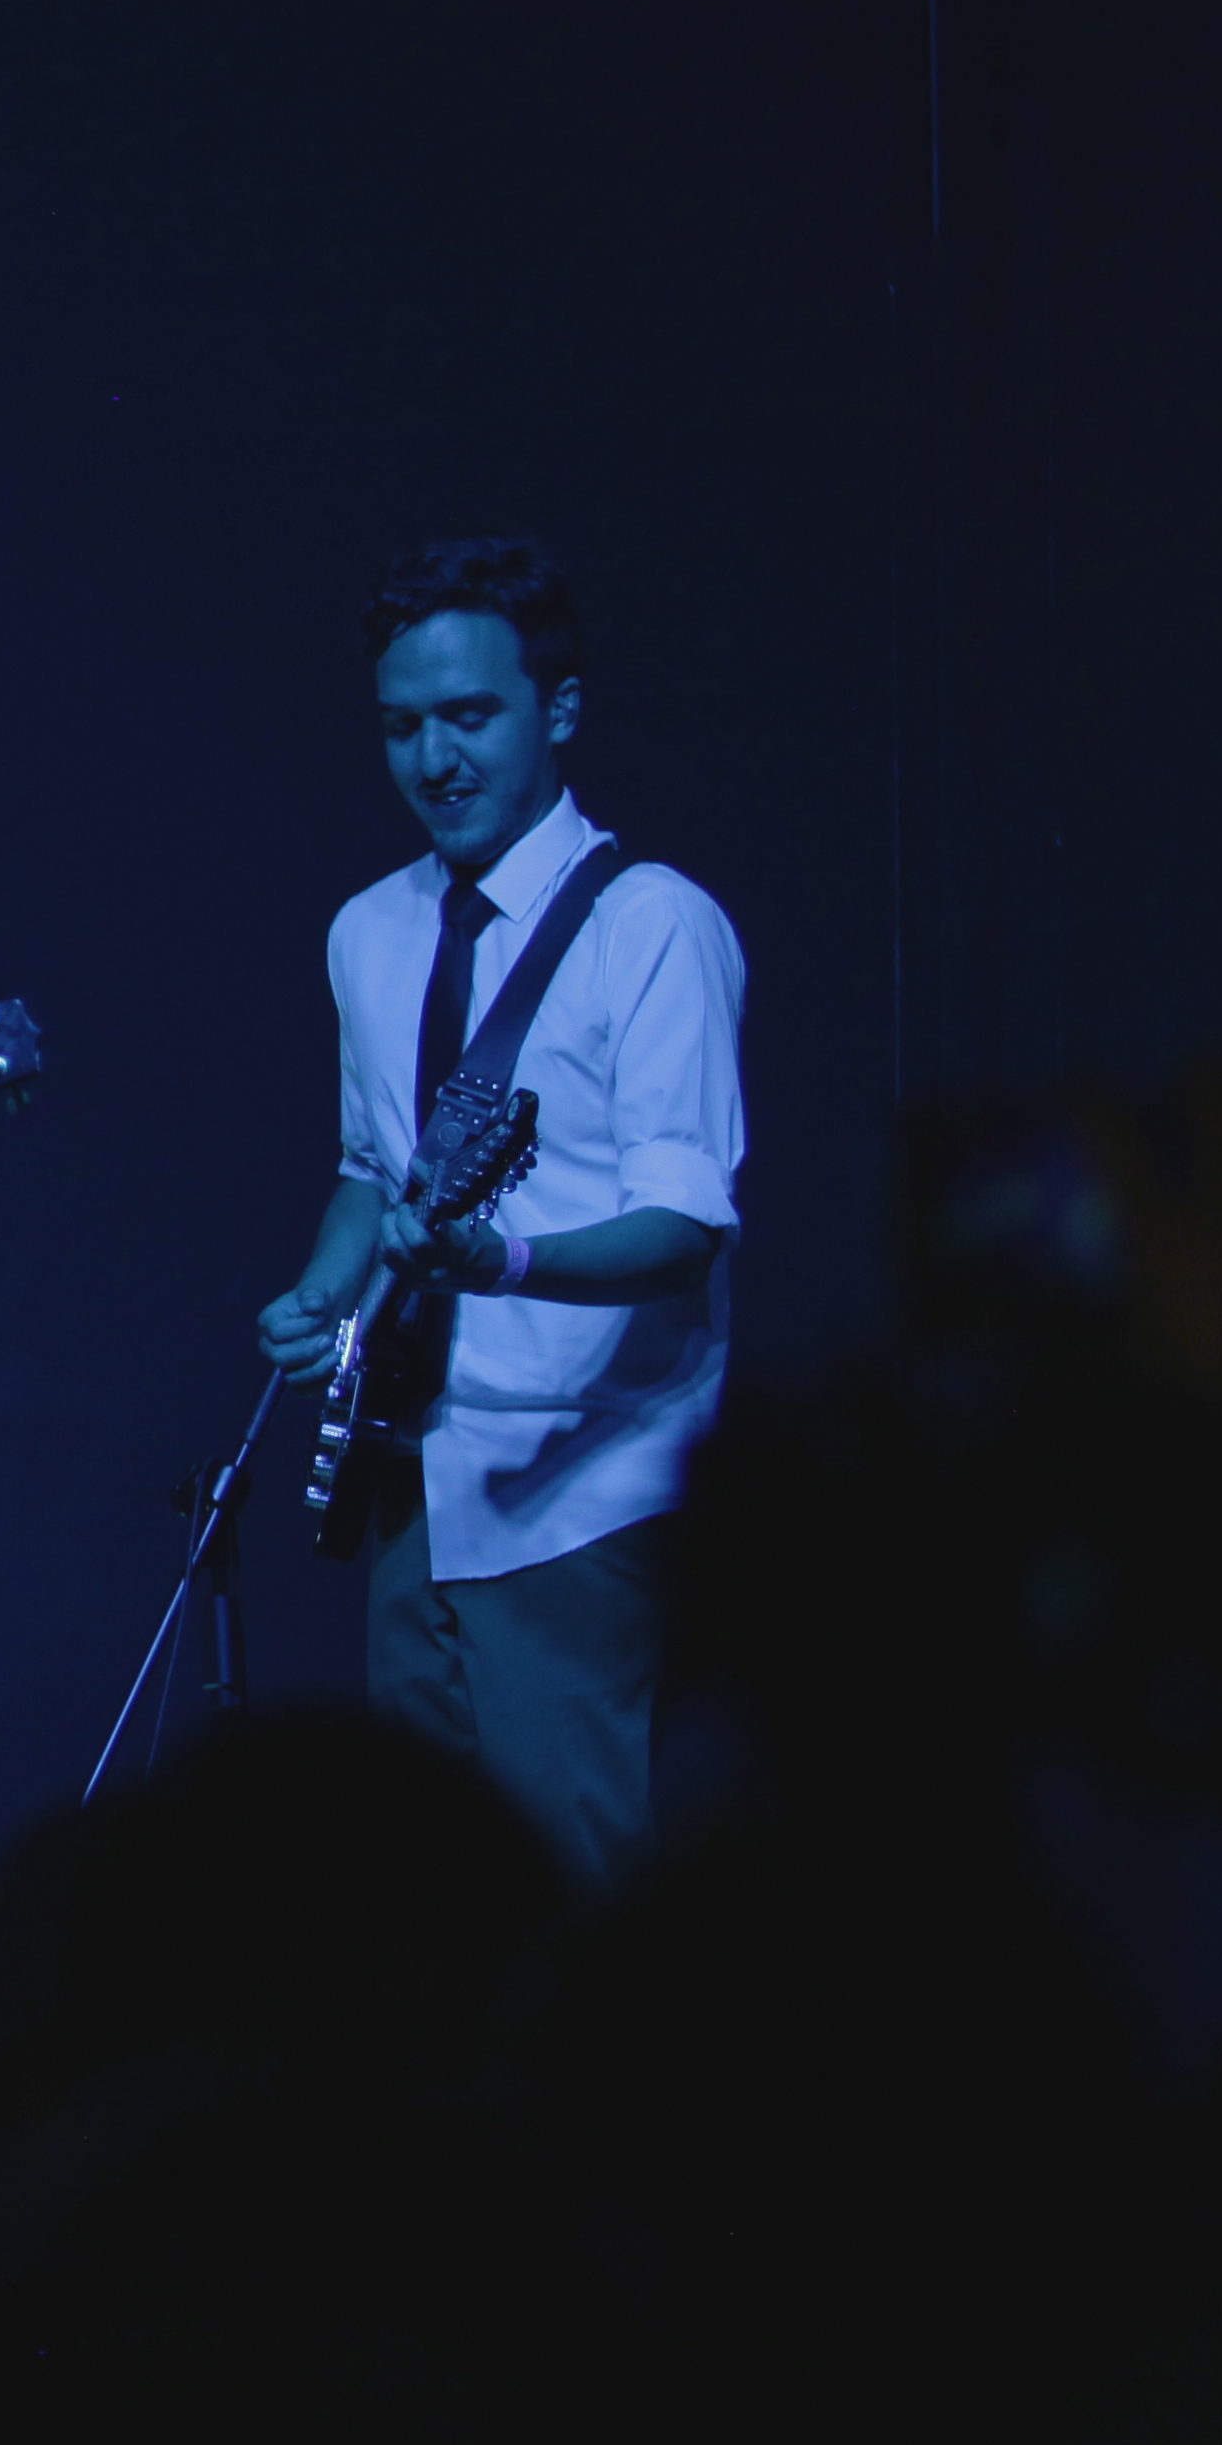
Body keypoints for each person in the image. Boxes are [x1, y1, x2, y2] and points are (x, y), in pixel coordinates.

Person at [256, 537, 745, 1888]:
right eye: (401, 725)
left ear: (559, 709)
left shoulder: (653, 926)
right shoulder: (368, 929)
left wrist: (504, 1258)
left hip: (587, 1486)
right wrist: (323, 1295)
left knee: (579, 1894)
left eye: (469, 715)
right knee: (425, 1898)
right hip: (414, 1471)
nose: (434, 758)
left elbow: (685, 1228)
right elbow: (372, 1168)